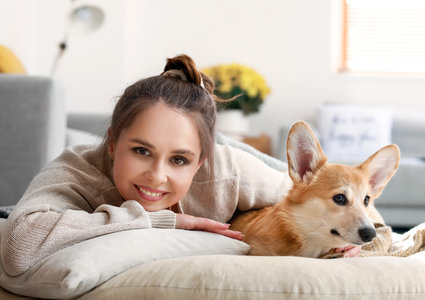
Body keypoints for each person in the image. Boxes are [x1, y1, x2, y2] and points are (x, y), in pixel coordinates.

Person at [0, 54, 291, 276]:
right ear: (112, 143)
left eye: (179, 160)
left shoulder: (227, 171)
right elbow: (18, 246)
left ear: (199, 162)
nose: (156, 176)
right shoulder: (78, 170)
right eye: (141, 150)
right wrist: (162, 220)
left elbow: (309, 191)